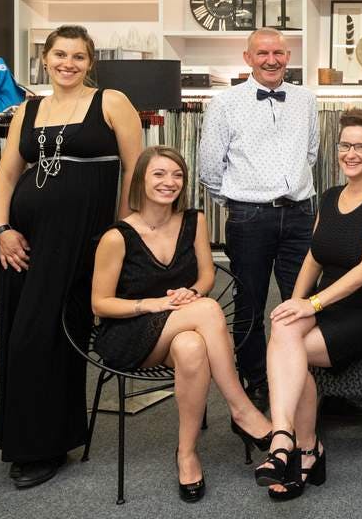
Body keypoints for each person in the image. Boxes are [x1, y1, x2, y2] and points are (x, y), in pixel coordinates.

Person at [0, 25, 143, 489]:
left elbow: (134, 172)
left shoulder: (111, 102)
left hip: (81, 240)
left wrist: (118, 234)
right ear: (45, 59)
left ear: (89, 62)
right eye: (60, 55)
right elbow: (5, 176)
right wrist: (1, 230)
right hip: (24, 242)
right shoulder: (28, 109)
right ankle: (27, 440)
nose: (67, 64)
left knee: (53, 335)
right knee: (20, 335)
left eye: (77, 56)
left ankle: (47, 443)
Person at [89, 146, 273, 503]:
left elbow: (206, 277)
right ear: (140, 180)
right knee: (207, 311)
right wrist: (151, 304)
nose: (169, 182)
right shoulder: (117, 236)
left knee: (192, 347)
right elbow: (100, 304)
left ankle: (186, 453)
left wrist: (192, 292)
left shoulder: (194, 221)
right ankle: (241, 408)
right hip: (130, 333)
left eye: (177, 175)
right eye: (159, 174)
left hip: (181, 330)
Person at [256, 111, 362, 500]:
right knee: (283, 328)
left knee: (292, 349)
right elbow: (314, 256)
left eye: (361, 146)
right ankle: (290, 440)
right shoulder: (329, 196)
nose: (350, 153)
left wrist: (313, 304)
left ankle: (298, 445)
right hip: (328, 302)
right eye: (344, 145)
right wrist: (295, 301)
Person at [198, 27, 319, 408]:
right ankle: (258, 380)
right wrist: (241, 201)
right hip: (249, 218)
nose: (271, 60)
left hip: (301, 214)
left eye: (278, 53)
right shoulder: (224, 103)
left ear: (288, 57)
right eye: (263, 53)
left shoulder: (306, 100)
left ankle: (309, 379)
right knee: (249, 302)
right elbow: (209, 168)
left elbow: (311, 154)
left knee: (304, 300)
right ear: (248, 58)